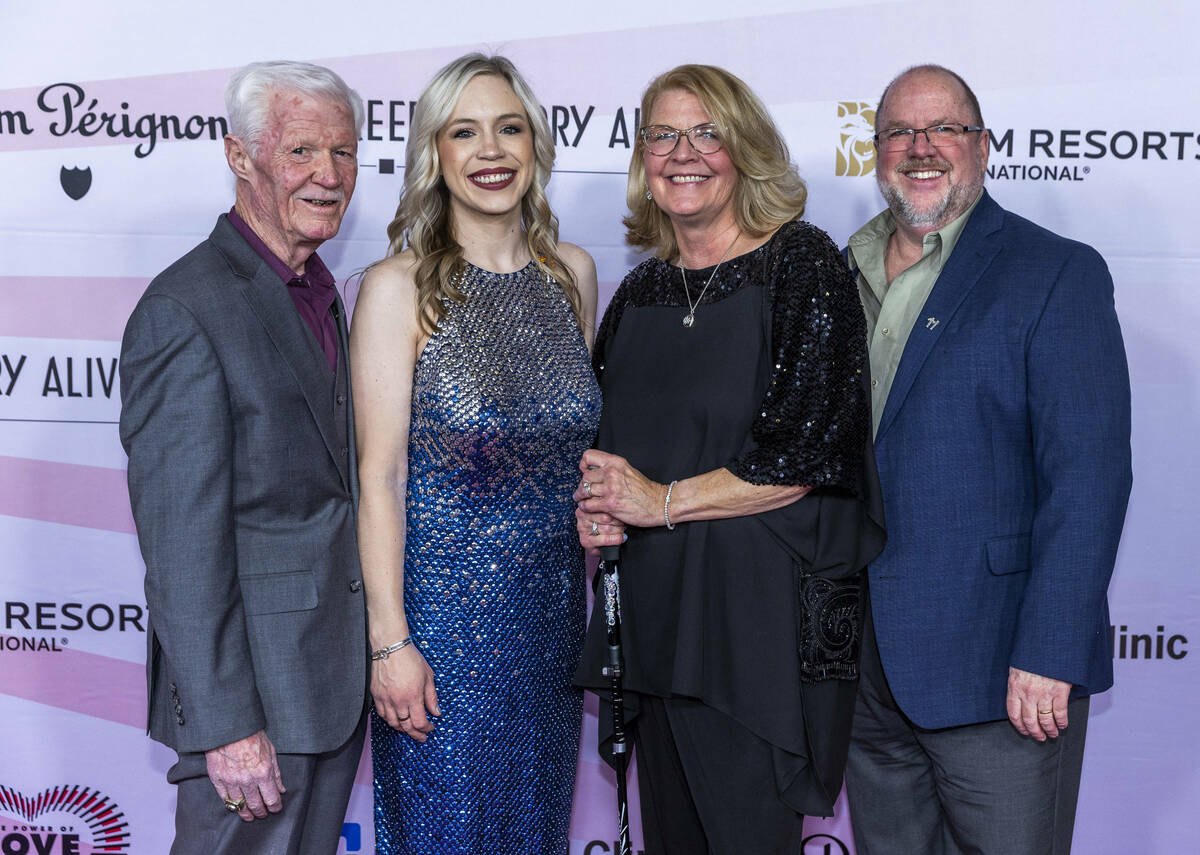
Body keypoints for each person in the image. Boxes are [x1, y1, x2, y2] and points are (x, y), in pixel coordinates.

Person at [572, 64, 885, 854]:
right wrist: (602, 509)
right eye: (663, 134)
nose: (685, 152)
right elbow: (609, 455)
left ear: (745, 148)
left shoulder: (800, 262)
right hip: (653, 624)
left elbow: (808, 451)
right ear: (642, 157)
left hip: (754, 639)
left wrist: (660, 501)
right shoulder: (640, 292)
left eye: (706, 131)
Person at [842, 65, 1132, 855]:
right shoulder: (839, 273)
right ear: (876, 151)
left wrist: (1050, 650)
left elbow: (1089, 476)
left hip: (1000, 671)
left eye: (945, 129)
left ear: (984, 146)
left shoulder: (1054, 272)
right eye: (900, 130)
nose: (921, 146)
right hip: (864, 676)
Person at [350, 54, 600, 855]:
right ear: (435, 153)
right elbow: (379, 476)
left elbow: (568, 451)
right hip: (440, 636)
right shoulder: (400, 287)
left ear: (535, 145)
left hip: (552, 632)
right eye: (465, 131)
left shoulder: (574, 277)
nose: (491, 150)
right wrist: (390, 642)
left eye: (508, 128)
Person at [119, 61, 367, 854]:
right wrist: (228, 726)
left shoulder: (321, 289)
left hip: (327, 686)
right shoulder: (183, 309)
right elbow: (182, 547)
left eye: (344, 153)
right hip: (252, 707)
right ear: (239, 157)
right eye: (301, 151)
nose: (328, 176)